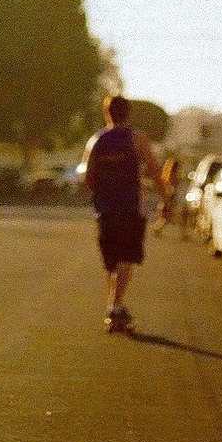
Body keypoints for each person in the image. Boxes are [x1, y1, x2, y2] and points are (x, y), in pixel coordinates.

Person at [82, 94, 168, 332]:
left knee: (112, 260)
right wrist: (165, 197)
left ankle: (114, 305)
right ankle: (116, 305)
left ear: (107, 113)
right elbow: (153, 169)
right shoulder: (137, 138)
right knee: (126, 258)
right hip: (130, 207)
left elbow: (87, 177)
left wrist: (103, 189)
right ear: (128, 114)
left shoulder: (96, 140)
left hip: (104, 208)